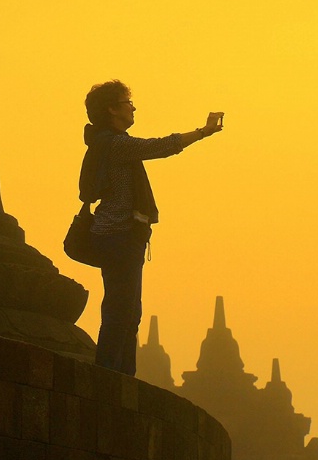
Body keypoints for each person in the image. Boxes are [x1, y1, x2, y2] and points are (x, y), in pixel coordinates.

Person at [80, 80, 223, 375]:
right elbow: (159, 146)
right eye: (127, 103)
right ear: (111, 109)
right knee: (121, 310)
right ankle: (108, 374)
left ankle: (121, 375)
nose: (133, 108)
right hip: (118, 235)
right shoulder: (116, 145)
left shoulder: (109, 143)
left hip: (122, 236)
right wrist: (202, 132)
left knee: (129, 312)